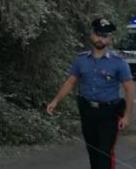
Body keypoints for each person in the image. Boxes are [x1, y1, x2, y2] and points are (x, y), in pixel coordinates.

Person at [47, 17, 135, 169]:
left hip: (109, 113)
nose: (101, 39)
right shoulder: (81, 60)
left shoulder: (118, 62)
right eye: (98, 34)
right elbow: (70, 82)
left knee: (104, 153)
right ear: (92, 35)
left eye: (105, 36)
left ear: (110, 39)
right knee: (93, 151)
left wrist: (127, 116)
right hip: (87, 111)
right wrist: (55, 101)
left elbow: (129, 88)